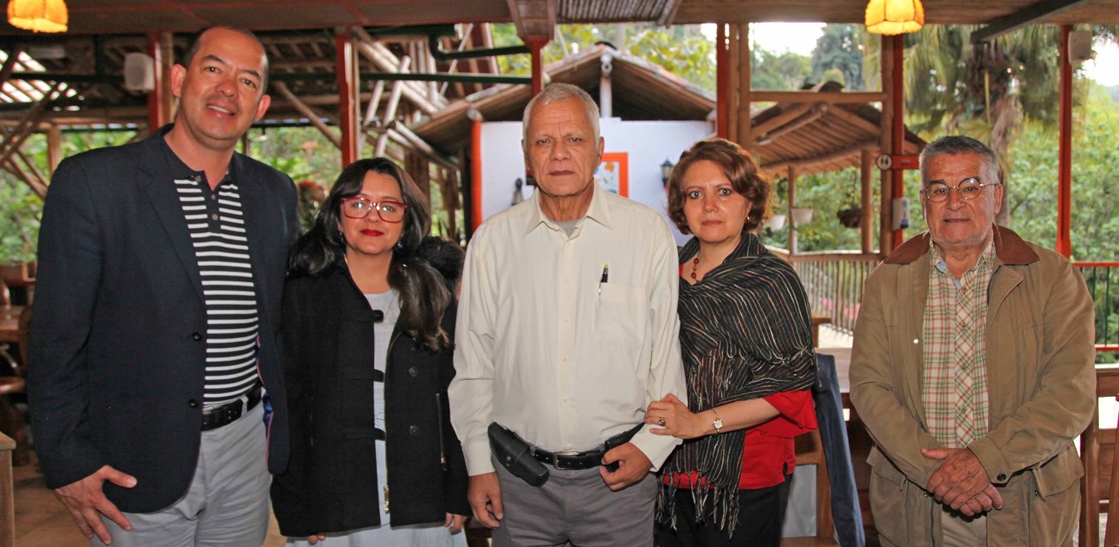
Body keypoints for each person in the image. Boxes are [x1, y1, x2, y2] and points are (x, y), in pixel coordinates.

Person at [28, 26, 297, 546]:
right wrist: (66, 459)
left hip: (245, 449)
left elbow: (283, 320)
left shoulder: (273, 193)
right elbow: (56, 337)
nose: (227, 89)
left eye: (246, 81)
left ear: (260, 106)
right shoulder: (95, 183)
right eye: (213, 69)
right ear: (178, 79)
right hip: (134, 456)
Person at [448, 82, 687, 546]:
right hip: (520, 481)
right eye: (544, 141)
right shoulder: (493, 243)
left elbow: (666, 356)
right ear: (525, 153)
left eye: (574, 139)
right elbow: (474, 365)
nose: (559, 153)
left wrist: (651, 448)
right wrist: (479, 464)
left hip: (619, 477)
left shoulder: (645, 233)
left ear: (598, 150)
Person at [849, 135, 1096, 546]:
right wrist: (937, 472)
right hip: (916, 501)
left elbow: (1070, 394)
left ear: (996, 197)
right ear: (925, 199)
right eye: (939, 189)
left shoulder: (1052, 277)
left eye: (970, 186)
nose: (954, 201)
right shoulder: (887, 281)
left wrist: (986, 460)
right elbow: (870, 388)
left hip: (1025, 502)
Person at [270, 158, 470, 545]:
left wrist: (457, 487)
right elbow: (289, 405)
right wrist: (295, 504)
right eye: (358, 203)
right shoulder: (302, 295)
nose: (372, 216)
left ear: (405, 220)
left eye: (389, 206)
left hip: (422, 491)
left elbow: (456, 398)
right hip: (334, 496)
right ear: (337, 214)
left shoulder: (432, 293)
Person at [647, 139, 818, 546]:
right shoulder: (662, 274)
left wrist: (702, 423)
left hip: (745, 475)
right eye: (695, 194)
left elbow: (790, 386)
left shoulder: (773, 280)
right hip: (667, 467)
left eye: (724, 191)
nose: (709, 205)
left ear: (748, 202)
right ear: (681, 208)